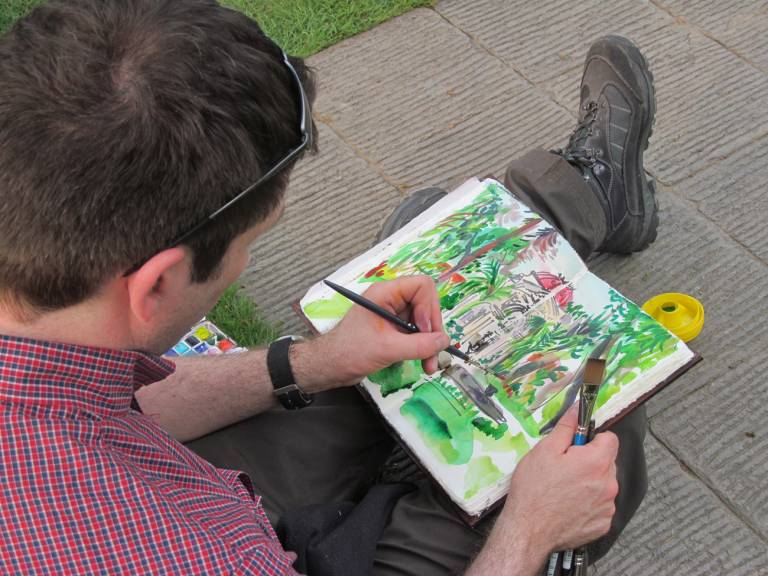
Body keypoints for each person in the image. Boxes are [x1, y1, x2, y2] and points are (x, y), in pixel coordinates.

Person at [0, 1, 653, 574]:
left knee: (429, 260)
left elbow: (124, 400)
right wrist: (530, 530)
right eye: (249, 244)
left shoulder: (49, 344)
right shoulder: (174, 555)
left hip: (202, 492)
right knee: (594, 415)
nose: (245, 260)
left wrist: (315, 361)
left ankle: (588, 196)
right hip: (243, 541)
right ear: (158, 282)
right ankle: (585, 195)